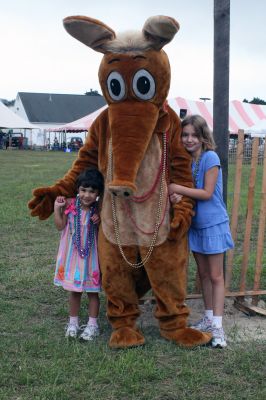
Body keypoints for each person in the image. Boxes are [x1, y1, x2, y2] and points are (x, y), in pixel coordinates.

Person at [169, 115, 234, 349]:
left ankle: (218, 327)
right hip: (195, 226)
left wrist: (177, 188)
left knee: (216, 277)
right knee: (204, 275)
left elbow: (206, 193)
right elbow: (187, 194)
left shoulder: (210, 157)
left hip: (213, 224)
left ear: (202, 136)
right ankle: (208, 318)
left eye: (194, 135)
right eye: (185, 135)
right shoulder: (186, 161)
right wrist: (178, 197)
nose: (189, 139)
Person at [54, 168, 104, 340]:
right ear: (77, 189)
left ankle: (92, 325)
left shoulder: (98, 210)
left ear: (98, 193)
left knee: (92, 291)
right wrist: (57, 209)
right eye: (83, 190)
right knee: (74, 291)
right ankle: (73, 323)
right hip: (72, 257)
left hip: (91, 258)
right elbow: (60, 226)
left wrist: (99, 221)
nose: (87, 195)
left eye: (92, 191)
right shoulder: (69, 205)